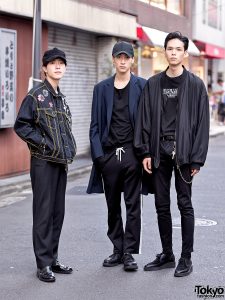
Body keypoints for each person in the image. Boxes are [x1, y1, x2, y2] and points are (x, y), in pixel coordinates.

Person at [134, 32, 209, 277]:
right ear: (164, 52)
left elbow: (202, 124)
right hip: (158, 151)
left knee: (184, 203)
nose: (174, 52)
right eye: (170, 48)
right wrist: (145, 150)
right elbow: (144, 119)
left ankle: (186, 257)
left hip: (185, 153)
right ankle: (167, 254)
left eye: (178, 49)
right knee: (161, 204)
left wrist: (197, 158)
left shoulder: (195, 85)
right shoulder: (153, 84)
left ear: (185, 53)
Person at [14, 48, 77, 282]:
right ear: (45, 68)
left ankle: (52, 259)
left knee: (56, 214)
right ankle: (43, 264)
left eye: (61, 63)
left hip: (60, 164)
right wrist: (44, 145)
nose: (58, 66)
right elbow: (22, 125)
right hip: (43, 163)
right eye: (53, 63)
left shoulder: (60, 97)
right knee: (43, 213)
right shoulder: (36, 95)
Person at [87, 41, 146, 271]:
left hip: (132, 153)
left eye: (126, 57)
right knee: (112, 206)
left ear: (132, 60)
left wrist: (145, 153)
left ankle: (129, 253)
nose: (122, 61)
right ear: (113, 59)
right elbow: (94, 126)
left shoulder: (142, 86)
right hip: (109, 155)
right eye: (118, 57)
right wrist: (99, 157)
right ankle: (117, 249)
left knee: (133, 205)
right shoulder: (101, 89)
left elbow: (147, 122)